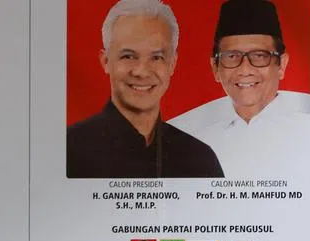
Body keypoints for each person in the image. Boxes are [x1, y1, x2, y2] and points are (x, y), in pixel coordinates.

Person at [66, 0, 223, 179]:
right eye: (128, 56)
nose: (141, 71)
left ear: (172, 64)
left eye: (156, 57)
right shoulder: (67, 153)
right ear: (106, 61)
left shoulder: (199, 159)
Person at [168, 0, 310, 176]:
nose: (244, 70)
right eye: (232, 56)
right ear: (215, 67)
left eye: (259, 56)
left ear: (282, 65)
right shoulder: (185, 134)